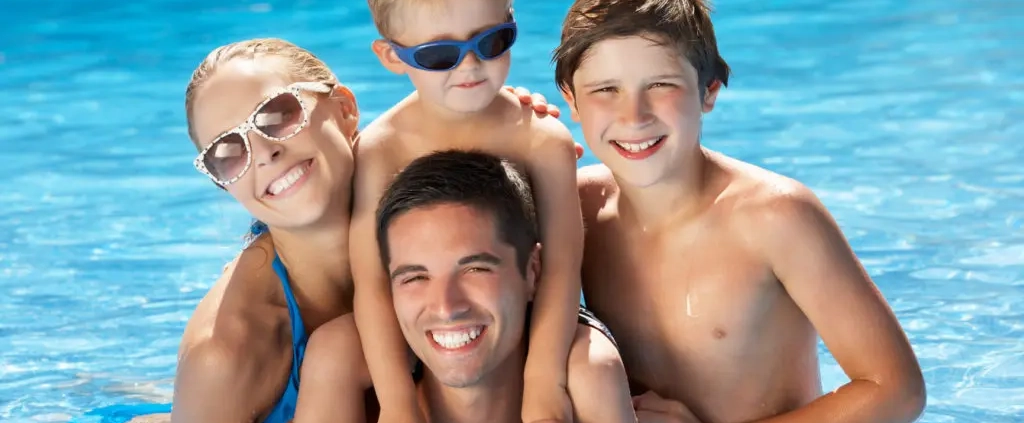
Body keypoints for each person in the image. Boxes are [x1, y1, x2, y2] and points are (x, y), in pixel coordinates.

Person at [553, 1, 927, 422]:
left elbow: (896, 389)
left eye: (660, 84)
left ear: (708, 90)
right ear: (571, 100)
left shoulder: (774, 217)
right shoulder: (577, 209)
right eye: (606, 89)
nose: (633, 115)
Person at [168, 37, 562, 423]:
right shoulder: (227, 352)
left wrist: (506, 116)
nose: (264, 154)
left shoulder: (436, 195)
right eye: (228, 152)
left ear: (344, 109)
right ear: (222, 181)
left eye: (277, 115)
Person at [352, 1, 588, 422]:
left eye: (492, 42)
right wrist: (397, 404)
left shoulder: (542, 140)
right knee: (331, 355)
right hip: (430, 324)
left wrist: (543, 385)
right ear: (392, 56)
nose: (470, 66)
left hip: (532, 318)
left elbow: (562, 269)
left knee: (595, 368)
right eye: (440, 55)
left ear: (511, 26)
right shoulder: (381, 148)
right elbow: (371, 281)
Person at [301, 149, 636, 423]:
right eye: (415, 277)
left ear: (533, 271)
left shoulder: (587, 372)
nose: (446, 307)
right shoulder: (352, 383)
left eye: (475, 269)